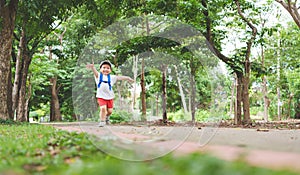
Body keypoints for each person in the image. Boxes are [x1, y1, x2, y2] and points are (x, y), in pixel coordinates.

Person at [86, 60, 134, 127]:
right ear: (100, 69)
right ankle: (102, 121)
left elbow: (120, 77)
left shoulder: (112, 77)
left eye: (108, 68)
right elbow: (95, 73)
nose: (106, 69)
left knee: (110, 111)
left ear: (110, 70)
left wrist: (128, 78)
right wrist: (92, 67)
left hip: (109, 97)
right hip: (101, 96)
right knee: (103, 108)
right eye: (104, 68)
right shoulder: (99, 76)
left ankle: (106, 117)